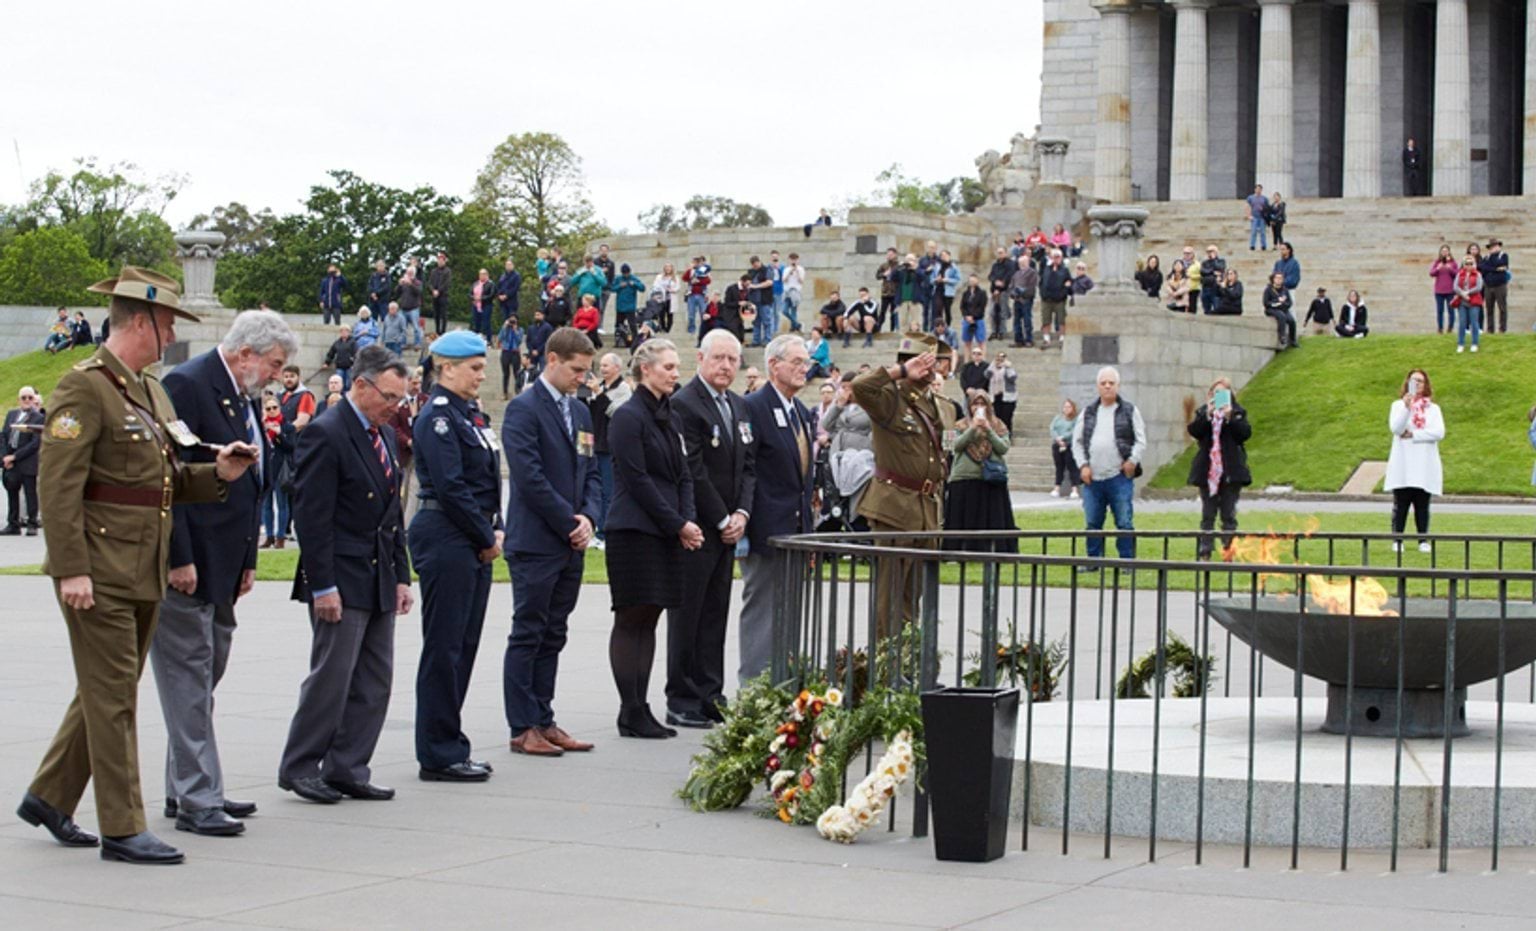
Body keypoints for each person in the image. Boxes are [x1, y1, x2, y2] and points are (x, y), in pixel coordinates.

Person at [19, 266, 256, 865]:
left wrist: (216, 472)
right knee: (114, 699)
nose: (172, 334)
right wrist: (71, 569)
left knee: (109, 689)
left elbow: (164, 480)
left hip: (141, 566)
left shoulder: (150, 390)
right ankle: (123, 828)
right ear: (142, 321)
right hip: (99, 569)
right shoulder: (84, 387)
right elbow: (58, 487)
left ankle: (49, 797)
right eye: (168, 323)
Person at [152, 310, 295, 837]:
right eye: (275, 363)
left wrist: (249, 560)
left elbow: (249, 481)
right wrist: (178, 557)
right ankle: (198, 797)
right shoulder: (188, 385)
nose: (278, 374)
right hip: (191, 562)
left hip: (224, 563)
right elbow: (172, 479)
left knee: (202, 680)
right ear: (245, 353)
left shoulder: (241, 391)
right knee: (189, 683)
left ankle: (186, 785)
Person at [279, 345, 412, 805]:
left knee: (374, 680)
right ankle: (301, 766)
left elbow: (392, 513)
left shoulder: (385, 434)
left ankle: (347, 767)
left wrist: (401, 575)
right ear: (360, 385)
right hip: (341, 575)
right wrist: (323, 586)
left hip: (378, 574)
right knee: (332, 679)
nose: (395, 407)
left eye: (400, 399)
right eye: (389, 397)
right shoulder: (327, 432)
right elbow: (312, 518)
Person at [500, 327, 601, 757]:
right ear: (552, 359)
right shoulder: (523, 409)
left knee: (554, 632)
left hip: (570, 542)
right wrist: (568, 521)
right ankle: (523, 725)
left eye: (587, 370)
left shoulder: (580, 412)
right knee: (529, 631)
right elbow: (529, 477)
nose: (583, 378)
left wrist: (590, 517)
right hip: (537, 541)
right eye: (577, 369)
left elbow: (591, 471)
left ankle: (543, 717)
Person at [408, 332, 503, 783]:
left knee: (462, 645)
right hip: (448, 534)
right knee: (444, 647)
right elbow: (450, 486)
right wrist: (485, 534)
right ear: (446, 368)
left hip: (470, 534)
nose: (482, 376)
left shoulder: (469, 415)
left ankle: (449, 743)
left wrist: (495, 525)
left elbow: (487, 480)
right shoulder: (439, 417)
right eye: (474, 368)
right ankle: (438, 751)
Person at [603, 339, 701, 738]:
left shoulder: (671, 417)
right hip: (634, 531)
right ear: (646, 369)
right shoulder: (627, 417)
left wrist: (687, 519)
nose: (676, 374)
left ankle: (640, 707)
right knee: (632, 618)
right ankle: (630, 709)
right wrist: (678, 523)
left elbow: (684, 475)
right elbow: (637, 480)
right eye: (668, 367)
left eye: (676, 367)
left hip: (665, 530)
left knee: (651, 618)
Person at [853, 336, 953, 639]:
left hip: (927, 508)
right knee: (891, 594)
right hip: (895, 507)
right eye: (920, 361)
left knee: (914, 594)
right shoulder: (890, 399)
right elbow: (860, 387)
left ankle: (909, 655)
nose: (927, 368)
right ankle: (886, 658)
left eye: (932, 361)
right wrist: (900, 372)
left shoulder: (941, 405)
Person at [739, 334, 814, 682]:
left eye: (806, 363)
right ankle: (755, 686)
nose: (804, 369)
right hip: (766, 530)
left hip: (796, 530)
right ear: (774, 365)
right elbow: (746, 470)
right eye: (796, 362)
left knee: (791, 611)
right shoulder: (753, 407)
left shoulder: (801, 411)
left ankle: (784, 682)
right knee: (763, 611)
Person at [1071, 366, 1146, 563]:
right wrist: (1083, 465)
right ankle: (1093, 561)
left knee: (1124, 522)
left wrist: (1132, 460)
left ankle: (1127, 561)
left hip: (1118, 477)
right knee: (1092, 523)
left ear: (1118, 386)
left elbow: (1141, 440)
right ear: (1097, 386)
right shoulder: (1088, 412)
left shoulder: (1130, 411)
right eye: (1103, 383)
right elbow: (1077, 442)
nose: (1107, 386)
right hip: (1092, 479)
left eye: (1111, 383)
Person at [1186, 378, 1251, 560]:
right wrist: (1208, 415)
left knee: (1228, 514)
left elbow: (1244, 434)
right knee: (1208, 514)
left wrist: (1230, 417)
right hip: (1209, 472)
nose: (1219, 397)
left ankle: (1228, 550)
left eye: (1223, 393)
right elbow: (1194, 431)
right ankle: (1205, 550)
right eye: (1215, 393)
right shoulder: (1203, 412)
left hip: (1230, 471)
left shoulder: (1237, 412)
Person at [943, 392, 1016, 553]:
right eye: (975, 404)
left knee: (992, 518)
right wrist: (972, 429)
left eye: (983, 404)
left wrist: (989, 430)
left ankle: (993, 550)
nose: (979, 408)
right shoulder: (958, 424)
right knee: (962, 518)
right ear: (969, 407)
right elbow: (951, 446)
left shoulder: (998, 424)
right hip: (964, 477)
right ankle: (958, 551)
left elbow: (1003, 448)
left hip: (991, 478)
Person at [1384, 369, 1444, 553]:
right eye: (1413, 380)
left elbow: (1438, 432)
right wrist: (1406, 407)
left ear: (1426, 385)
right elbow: (1396, 428)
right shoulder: (1397, 406)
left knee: (1422, 505)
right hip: (1403, 462)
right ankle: (1397, 539)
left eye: (1420, 381)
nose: (1417, 384)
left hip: (1424, 463)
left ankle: (1422, 540)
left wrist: (1414, 435)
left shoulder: (1433, 409)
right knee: (1401, 503)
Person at [587, 353, 633, 546]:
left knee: (608, 490)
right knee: (594, 490)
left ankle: (605, 533)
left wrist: (599, 394)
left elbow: (617, 413)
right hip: (593, 443)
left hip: (609, 446)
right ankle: (597, 529)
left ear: (617, 368)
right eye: (602, 365)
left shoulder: (623, 389)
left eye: (606, 366)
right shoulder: (599, 386)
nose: (602, 369)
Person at [0, 386, 45, 535]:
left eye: (30, 398)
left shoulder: (38, 418)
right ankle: (13, 524)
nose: (27, 400)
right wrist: (5, 457)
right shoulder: (12, 414)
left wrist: (15, 456)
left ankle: (32, 523)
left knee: (30, 493)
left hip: (27, 461)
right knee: (11, 491)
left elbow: (35, 443)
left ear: (34, 400)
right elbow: (4, 435)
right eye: (24, 397)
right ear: (18, 400)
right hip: (10, 460)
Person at [1038, 249, 1072, 348]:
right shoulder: (1046, 269)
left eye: (1058, 257)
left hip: (1059, 300)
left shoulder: (1065, 270)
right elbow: (1041, 282)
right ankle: (1046, 339)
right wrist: (1042, 293)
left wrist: (1064, 291)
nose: (1056, 259)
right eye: (1054, 257)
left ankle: (1062, 339)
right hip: (1046, 299)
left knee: (1061, 320)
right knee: (1046, 320)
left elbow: (1069, 282)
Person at [1049, 399, 1080, 499]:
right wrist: (1057, 438)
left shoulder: (1075, 420)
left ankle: (1074, 489)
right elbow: (1052, 428)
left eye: (1069, 407)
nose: (1066, 409)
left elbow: (1074, 431)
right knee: (1059, 467)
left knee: (1072, 467)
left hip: (1069, 445)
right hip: (1057, 445)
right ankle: (1057, 488)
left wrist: (1063, 438)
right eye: (1065, 407)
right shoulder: (1058, 418)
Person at [609, 264, 647, 346]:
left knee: (632, 325)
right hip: (620, 307)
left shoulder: (633, 278)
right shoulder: (618, 278)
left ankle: (635, 341)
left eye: (627, 273)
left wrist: (635, 284)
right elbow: (612, 288)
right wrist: (619, 286)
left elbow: (643, 288)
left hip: (630, 307)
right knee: (619, 325)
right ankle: (618, 341)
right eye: (624, 273)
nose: (626, 275)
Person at [1480, 239, 1510, 335]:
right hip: (1488, 286)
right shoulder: (1486, 257)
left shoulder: (1503, 255)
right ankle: (1490, 329)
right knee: (1489, 308)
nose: (1494, 248)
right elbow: (1483, 268)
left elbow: (1502, 265)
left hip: (1500, 285)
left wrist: (1493, 267)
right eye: (1492, 246)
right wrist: (1496, 269)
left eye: (1496, 246)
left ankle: (1502, 329)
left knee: (1502, 307)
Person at [1261, 272, 1297, 349]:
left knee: (1291, 320)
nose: (1279, 280)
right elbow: (1266, 302)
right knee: (1281, 316)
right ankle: (1282, 336)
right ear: (1273, 279)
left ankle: (1293, 340)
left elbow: (1289, 302)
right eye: (1277, 278)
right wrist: (1277, 302)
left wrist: (1283, 304)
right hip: (1272, 309)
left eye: (1280, 278)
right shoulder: (1268, 290)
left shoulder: (1285, 290)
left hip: (1283, 309)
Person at [927, 249, 961, 331]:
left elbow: (958, 279)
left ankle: (947, 328)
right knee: (937, 310)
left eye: (945, 255)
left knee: (947, 311)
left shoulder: (953, 267)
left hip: (948, 292)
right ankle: (937, 329)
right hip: (938, 290)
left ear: (949, 256)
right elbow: (931, 279)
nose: (943, 257)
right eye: (942, 255)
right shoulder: (937, 266)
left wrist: (947, 280)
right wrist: (936, 280)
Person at [1009, 253, 1038, 346]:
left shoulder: (1032, 273)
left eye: (1024, 262)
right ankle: (1018, 340)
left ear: (1028, 262)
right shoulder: (1016, 274)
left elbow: (1031, 287)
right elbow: (1011, 286)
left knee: (1027, 320)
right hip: (1017, 300)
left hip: (1027, 300)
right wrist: (1013, 294)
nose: (1022, 264)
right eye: (1020, 263)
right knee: (1016, 321)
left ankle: (1029, 340)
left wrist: (1021, 293)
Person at [987, 247, 1016, 338]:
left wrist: (1001, 284)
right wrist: (995, 281)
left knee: (1002, 312)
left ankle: (1002, 331)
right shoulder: (995, 265)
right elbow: (990, 276)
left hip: (1004, 290)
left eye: (1001, 252)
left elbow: (1009, 276)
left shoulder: (1010, 264)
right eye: (998, 252)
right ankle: (994, 331)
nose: (1000, 254)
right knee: (992, 312)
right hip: (994, 290)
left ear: (1005, 253)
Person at [987, 352, 1018, 434]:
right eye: (998, 359)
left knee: (1006, 417)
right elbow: (986, 375)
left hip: (1008, 397)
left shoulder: (1008, 369)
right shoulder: (992, 369)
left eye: (1002, 359)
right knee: (997, 417)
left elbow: (1012, 377)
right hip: (995, 396)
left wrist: (1008, 367)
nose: (999, 361)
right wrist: (992, 365)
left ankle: (1007, 434)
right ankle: (999, 434)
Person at [1430, 245, 1458, 334]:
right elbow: (1431, 273)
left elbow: (1457, 274)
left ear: (1449, 252)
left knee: (1451, 310)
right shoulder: (1437, 262)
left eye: (1446, 251)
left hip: (1450, 290)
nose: (1444, 253)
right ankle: (1440, 328)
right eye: (1443, 251)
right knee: (1440, 310)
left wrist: (1450, 268)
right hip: (1439, 290)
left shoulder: (1453, 262)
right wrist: (1438, 268)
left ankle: (1450, 328)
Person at [496, 313, 523, 399]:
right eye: (511, 319)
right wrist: (504, 327)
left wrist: (515, 330)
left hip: (515, 352)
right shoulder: (505, 329)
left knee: (517, 373)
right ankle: (505, 393)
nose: (512, 321)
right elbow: (500, 338)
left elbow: (519, 341)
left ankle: (518, 392)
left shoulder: (520, 329)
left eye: (514, 320)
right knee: (506, 374)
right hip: (506, 352)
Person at [959, 273, 989, 351]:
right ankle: (967, 358)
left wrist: (973, 316)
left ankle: (982, 358)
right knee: (967, 342)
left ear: (977, 281)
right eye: (970, 281)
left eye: (973, 280)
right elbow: (962, 306)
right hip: (967, 319)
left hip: (978, 319)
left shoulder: (982, 293)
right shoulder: (966, 293)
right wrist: (966, 316)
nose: (972, 282)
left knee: (981, 341)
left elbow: (982, 307)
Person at [682, 257, 711, 334]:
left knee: (703, 313)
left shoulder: (704, 270)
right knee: (691, 315)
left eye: (696, 262)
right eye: (693, 262)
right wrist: (689, 270)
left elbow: (708, 281)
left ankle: (704, 329)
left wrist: (698, 281)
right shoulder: (691, 271)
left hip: (702, 295)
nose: (694, 264)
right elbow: (684, 278)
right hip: (691, 295)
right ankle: (691, 330)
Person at [397, 265, 424, 349]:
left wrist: (411, 284)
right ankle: (403, 343)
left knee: (416, 327)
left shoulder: (418, 282)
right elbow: (397, 293)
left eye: (410, 273)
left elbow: (418, 292)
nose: (408, 274)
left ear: (414, 274)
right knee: (403, 327)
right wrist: (399, 285)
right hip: (403, 308)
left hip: (413, 308)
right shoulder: (403, 282)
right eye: (407, 272)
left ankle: (417, 343)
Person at [428, 252, 452, 335]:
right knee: (436, 314)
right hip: (435, 295)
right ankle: (437, 330)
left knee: (443, 314)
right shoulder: (433, 271)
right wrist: (433, 290)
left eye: (441, 260)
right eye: (438, 260)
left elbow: (447, 283)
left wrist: (439, 291)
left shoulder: (447, 271)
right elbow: (430, 283)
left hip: (443, 295)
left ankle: (443, 331)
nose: (440, 262)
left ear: (444, 261)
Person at [495, 258, 522, 330]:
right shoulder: (503, 276)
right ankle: (506, 334)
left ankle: (513, 334)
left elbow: (515, 288)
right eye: (507, 265)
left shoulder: (516, 275)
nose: (508, 266)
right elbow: (499, 286)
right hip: (503, 302)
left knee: (512, 320)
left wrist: (506, 295)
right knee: (505, 320)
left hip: (512, 301)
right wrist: (499, 295)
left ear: (513, 265)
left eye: (510, 264)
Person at [782, 253, 806, 333]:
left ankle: (793, 327)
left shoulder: (801, 269)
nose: (793, 261)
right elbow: (784, 280)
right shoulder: (786, 269)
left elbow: (801, 281)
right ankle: (797, 324)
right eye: (792, 259)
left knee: (793, 310)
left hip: (795, 291)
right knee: (784, 310)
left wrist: (797, 272)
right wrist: (790, 272)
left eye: (795, 259)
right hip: (787, 291)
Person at [469, 268, 496, 338]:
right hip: (476, 305)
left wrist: (481, 298)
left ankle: (488, 339)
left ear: (487, 275)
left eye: (484, 274)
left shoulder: (491, 284)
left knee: (486, 323)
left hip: (486, 305)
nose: (482, 276)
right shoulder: (475, 283)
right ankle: (475, 338)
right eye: (480, 274)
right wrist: (473, 298)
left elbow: (492, 295)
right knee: (476, 323)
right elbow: (470, 293)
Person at [525, 308, 553, 375]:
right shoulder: (531, 327)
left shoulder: (548, 327)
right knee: (531, 373)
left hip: (543, 354)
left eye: (538, 315)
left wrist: (538, 350)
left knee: (543, 373)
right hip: (532, 354)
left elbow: (548, 341)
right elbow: (528, 341)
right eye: (535, 315)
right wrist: (531, 350)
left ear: (543, 316)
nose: (536, 317)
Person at [1245, 184, 1269, 251]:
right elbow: (1247, 206)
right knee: (1253, 232)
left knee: (1263, 232)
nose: (1258, 190)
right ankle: (1252, 245)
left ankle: (1263, 245)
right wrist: (1248, 215)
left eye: (1260, 189)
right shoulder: (1250, 198)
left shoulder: (1264, 198)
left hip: (1262, 217)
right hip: (1254, 217)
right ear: (1255, 190)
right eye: (1257, 189)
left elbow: (1267, 208)